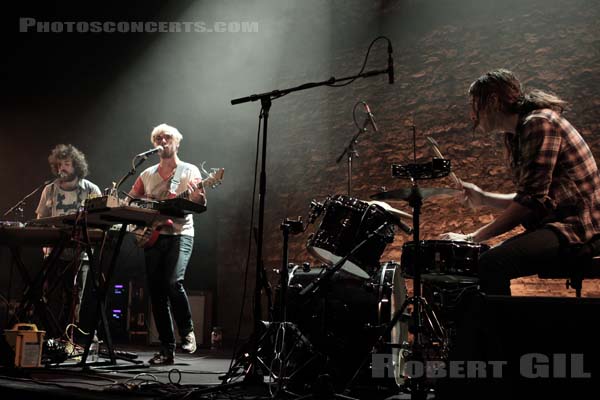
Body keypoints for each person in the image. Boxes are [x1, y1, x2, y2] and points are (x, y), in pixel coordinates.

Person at [441, 69, 600, 295]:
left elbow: (530, 202)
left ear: (494, 100)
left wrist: (471, 237)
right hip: (562, 222)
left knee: (491, 263)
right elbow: (532, 197)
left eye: (475, 104)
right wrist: (484, 197)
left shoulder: (539, 124)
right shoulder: (518, 133)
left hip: (580, 226)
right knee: (488, 259)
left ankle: (503, 330)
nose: (472, 115)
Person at [128, 123, 206, 365]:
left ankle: (187, 332)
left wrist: (197, 195)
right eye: (158, 138)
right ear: (153, 145)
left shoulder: (189, 170)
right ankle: (166, 348)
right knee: (156, 292)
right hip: (153, 235)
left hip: (181, 234)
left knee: (174, 282)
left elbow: (201, 204)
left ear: (177, 142)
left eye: (167, 137)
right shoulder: (146, 174)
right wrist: (147, 209)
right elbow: (130, 202)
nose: (162, 141)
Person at [36, 144, 102, 335]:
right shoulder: (49, 189)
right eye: (59, 164)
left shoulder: (91, 189)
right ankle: (47, 337)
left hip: (80, 255)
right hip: (53, 253)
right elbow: (41, 221)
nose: (61, 168)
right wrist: (45, 247)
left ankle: (67, 339)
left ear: (76, 166)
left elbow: (99, 222)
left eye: (66, 164)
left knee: (74, 298)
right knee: (48, 296)